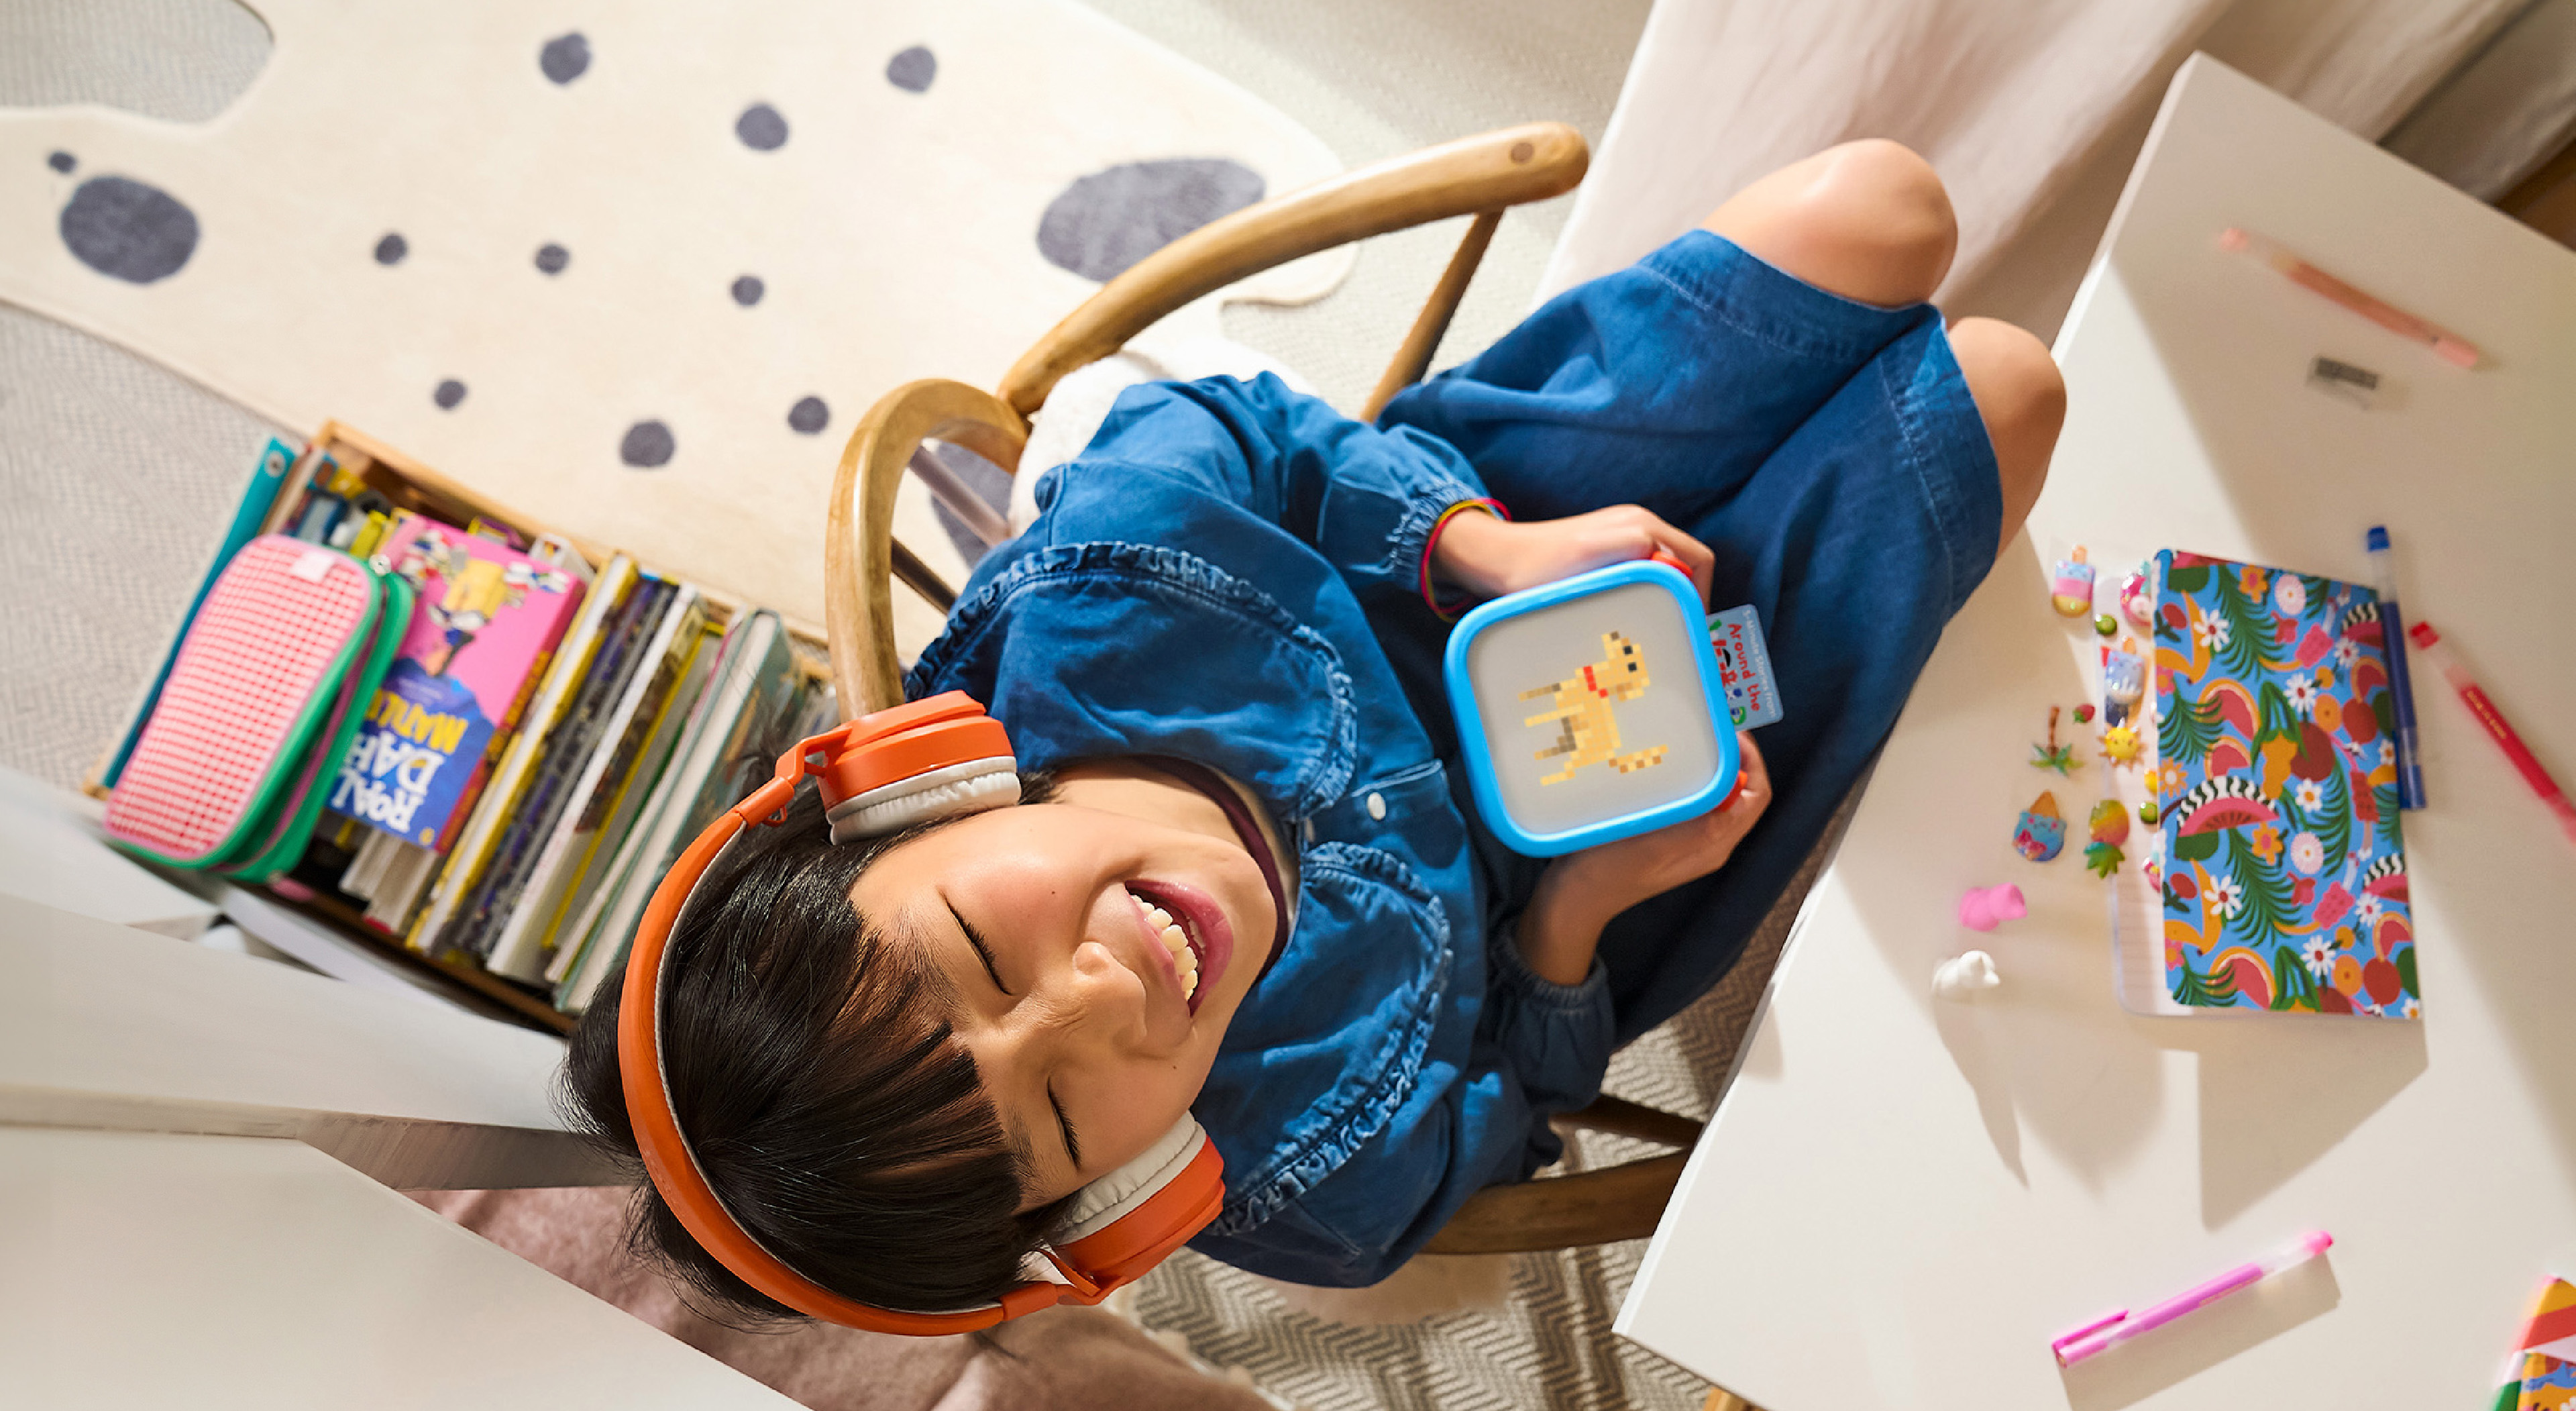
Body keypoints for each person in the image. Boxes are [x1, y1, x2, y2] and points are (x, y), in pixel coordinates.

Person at [561, 141, 2065, 1318]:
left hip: (1480, 536)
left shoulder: (1104, 594)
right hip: (1624, 839)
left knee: (1886, 209)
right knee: (2005, 392)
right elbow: (1519, 1097)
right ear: (1127, 1198)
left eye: (977, 949)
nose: (1100, 998)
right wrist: (1580, 912)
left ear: (909, 798)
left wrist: (1481, 546)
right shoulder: (1310, 1175)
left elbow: (1250, 431)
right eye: (1070, 1115)